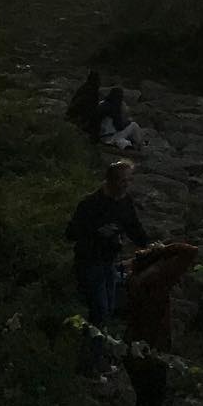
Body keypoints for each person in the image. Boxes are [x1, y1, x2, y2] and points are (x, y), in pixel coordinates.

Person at [66, 159, 147, 373]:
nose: (126, 185)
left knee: (107, 309)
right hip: (89, 262)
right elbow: (71, 233)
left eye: (129, 180)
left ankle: (95, 357)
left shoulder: (125, 202)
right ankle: (90, 364)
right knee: (100, 310)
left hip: (109, 263)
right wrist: (97, 231)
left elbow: (134, 228)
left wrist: (152, 247)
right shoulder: (90, 204)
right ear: (110, 181)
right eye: (122, 181)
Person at [124, 240, 198, 406]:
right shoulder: (159, 277)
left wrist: (152, 253)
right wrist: (163, 250)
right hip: (153, 346)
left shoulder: (135, 278)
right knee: (153, 401)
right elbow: (190, 251)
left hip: (133, 344)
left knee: (143, 400)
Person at [99, 86, 148, 151]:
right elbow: (119, 127)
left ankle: (126, 143)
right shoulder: (115, 107)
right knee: (134, 125)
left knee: (121, 138)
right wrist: (128, 122)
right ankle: (141, 145)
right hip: (111, 136)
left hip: (101, 136)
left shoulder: (101, 103)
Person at [66, 70, 102, 139]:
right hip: (81, 115)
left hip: (76, 113)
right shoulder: (92, 90)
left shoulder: (84, 87)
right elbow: (89, 106)